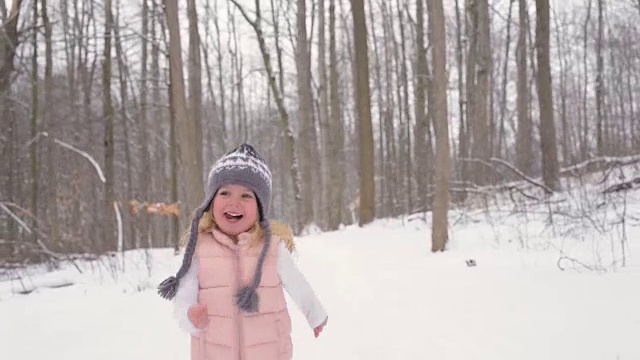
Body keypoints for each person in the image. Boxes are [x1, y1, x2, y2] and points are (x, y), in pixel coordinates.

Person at [158, 143, 328, 360]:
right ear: (211, 201)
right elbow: (184, 293)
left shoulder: (272, 247)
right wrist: (190, 315)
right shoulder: (200, 249)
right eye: (225, 192)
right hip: (213, 352)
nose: (234, 202)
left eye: (246, 196)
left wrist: (315, 314)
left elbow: (298, 283)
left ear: (259, 207)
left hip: (269, 351)